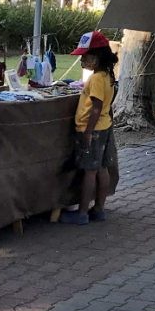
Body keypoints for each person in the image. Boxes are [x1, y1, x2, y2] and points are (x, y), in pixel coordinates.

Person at [60, 31, 118, 225]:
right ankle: (99, 209)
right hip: (105, 127)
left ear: (97, 56)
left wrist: (88, 132)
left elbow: (96, 107)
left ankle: (82, 213)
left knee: (90, 171)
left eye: (86, 56)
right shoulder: (108, 75)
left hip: (93, 129)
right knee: (102, 168)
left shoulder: (95, 79)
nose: (82, 60)